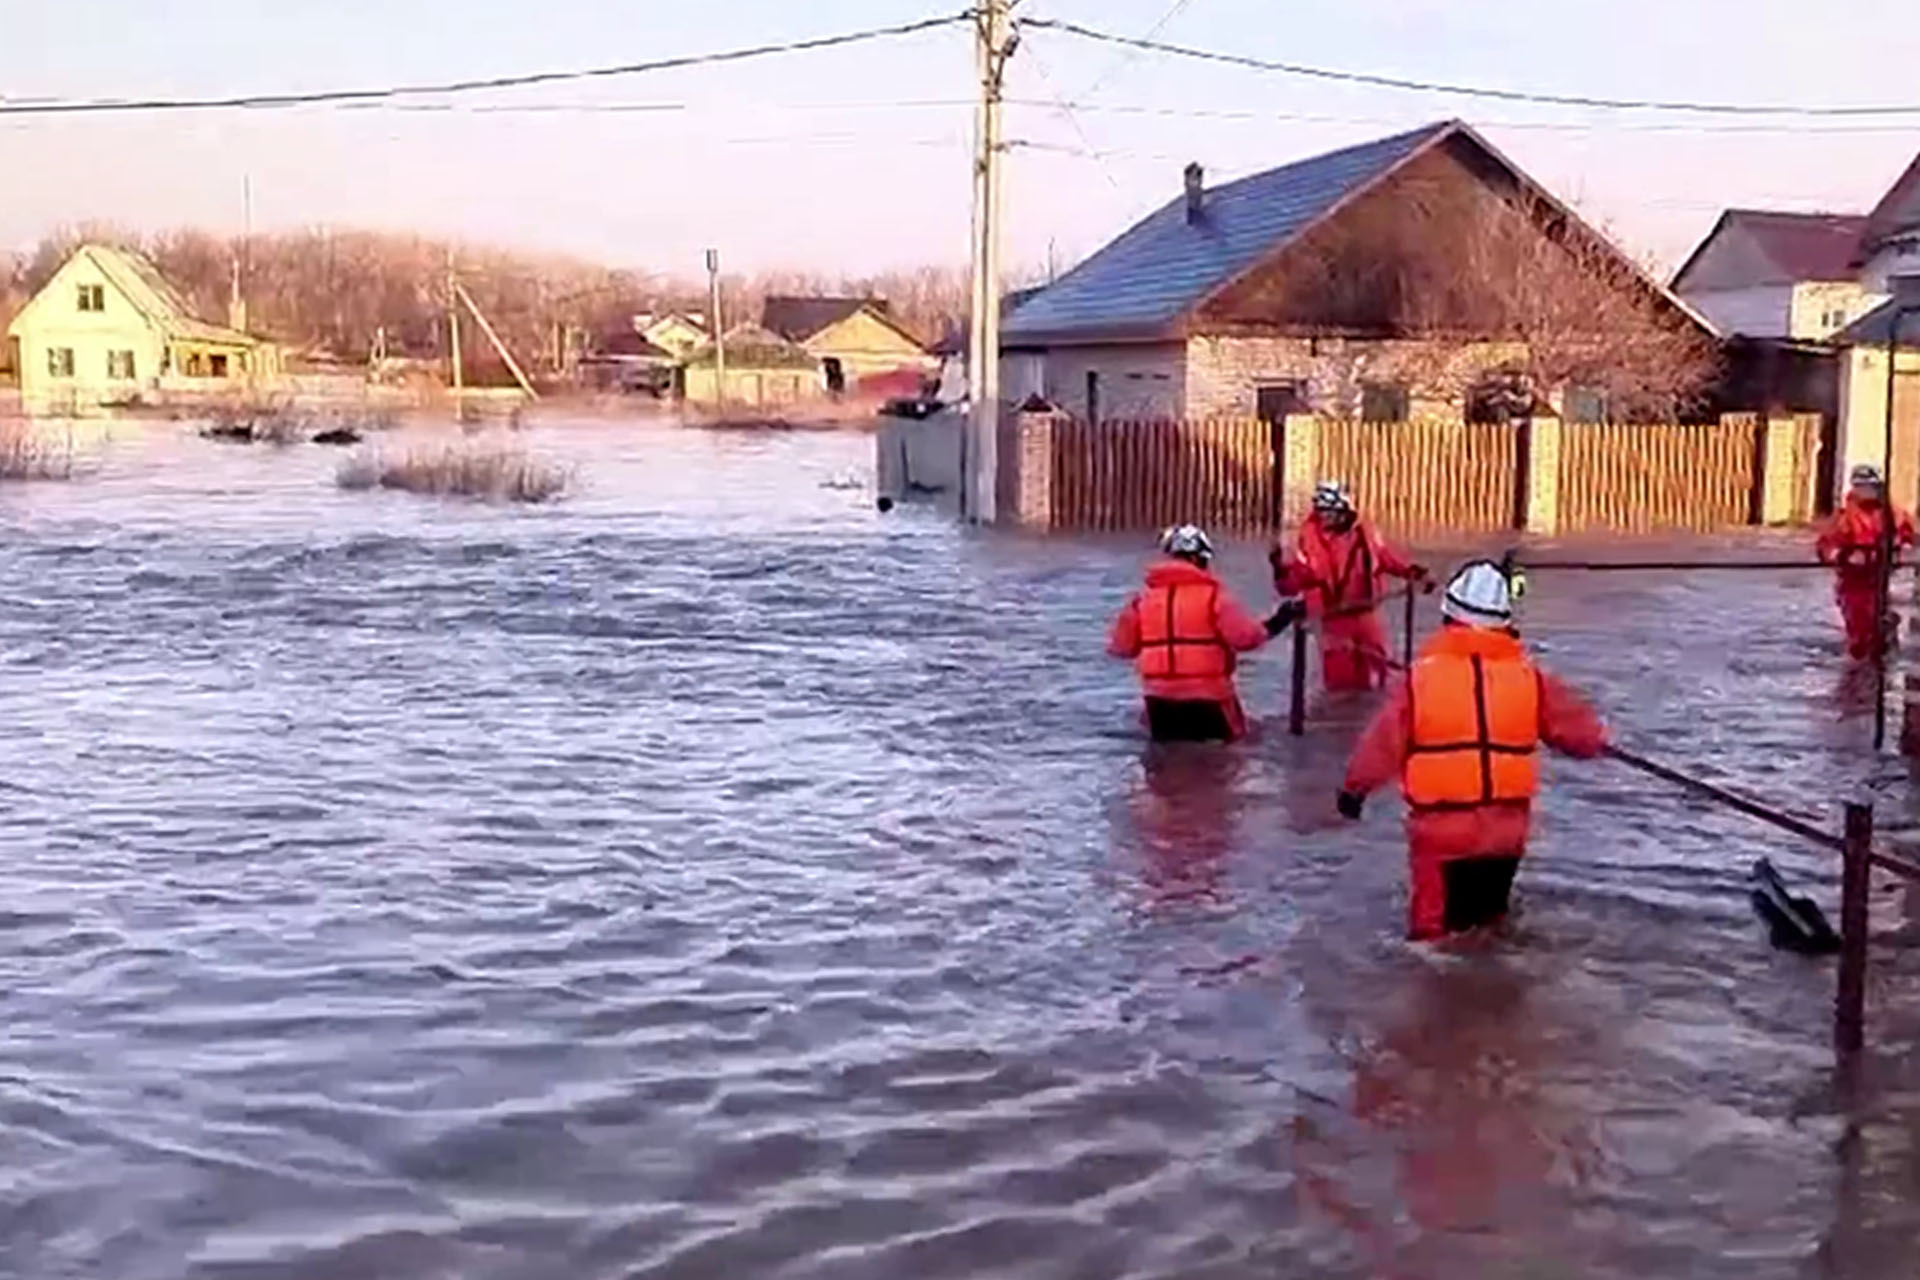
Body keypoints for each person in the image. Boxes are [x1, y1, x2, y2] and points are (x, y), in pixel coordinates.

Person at [1336, 561, 1608, 941]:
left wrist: (1354, 790)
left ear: (1449, 615)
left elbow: (1382, 744)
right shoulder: (1532, 677)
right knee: (1489, 929)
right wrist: (1596, 740)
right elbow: (1585, 736)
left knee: (1432, 940)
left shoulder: (1421, 679)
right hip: (1507, 835)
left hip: (1443, 835)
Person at [1108, 524, 1300, 742]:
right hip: (1209, 698)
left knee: (1166, 766)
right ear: (1202, 559)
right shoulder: (1215, 597)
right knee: (1221, 762)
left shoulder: (1141, 601)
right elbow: (1247, 638)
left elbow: (1121, 647)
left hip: (1159, 701)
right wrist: (1280, 620)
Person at [1272, 482, 1429, 692]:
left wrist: (1414, 572)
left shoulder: (1367, 533)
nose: (1324, 517)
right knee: (1341, 684)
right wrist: (1280, 570)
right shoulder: (1306, 541)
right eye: (1320, 511)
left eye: (1329, 512)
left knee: (1383, 673)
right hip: (1333, 620)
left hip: (1366, 612)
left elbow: (1386, 558)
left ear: (1344, 510)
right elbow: (1291, 586)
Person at [1816, 463, 1917, 660]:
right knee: (1859, 629)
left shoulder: (1892, 513)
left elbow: (1910, 535)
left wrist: (1901, 546)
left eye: (1873, 487)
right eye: (1864, 487)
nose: (1870, 492)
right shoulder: (1845, 518)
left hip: (1879, 577)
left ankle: (1879, 649)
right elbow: (1825, 547)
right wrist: (1844, 556)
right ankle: (1859, 666)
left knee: (1876, 624)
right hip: (1853, 582)